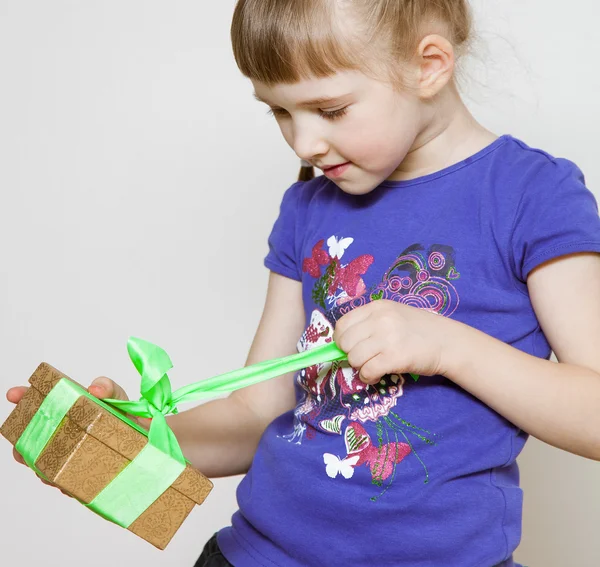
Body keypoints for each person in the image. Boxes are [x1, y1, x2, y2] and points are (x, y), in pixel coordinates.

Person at [7, 0, 600, 565]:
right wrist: (137, 438)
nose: (304, 143)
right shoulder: (306, 208)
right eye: (280, 112)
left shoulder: (532, 197)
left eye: (331, 110)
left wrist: (447, 347)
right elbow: (254, 415)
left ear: (429, 66)